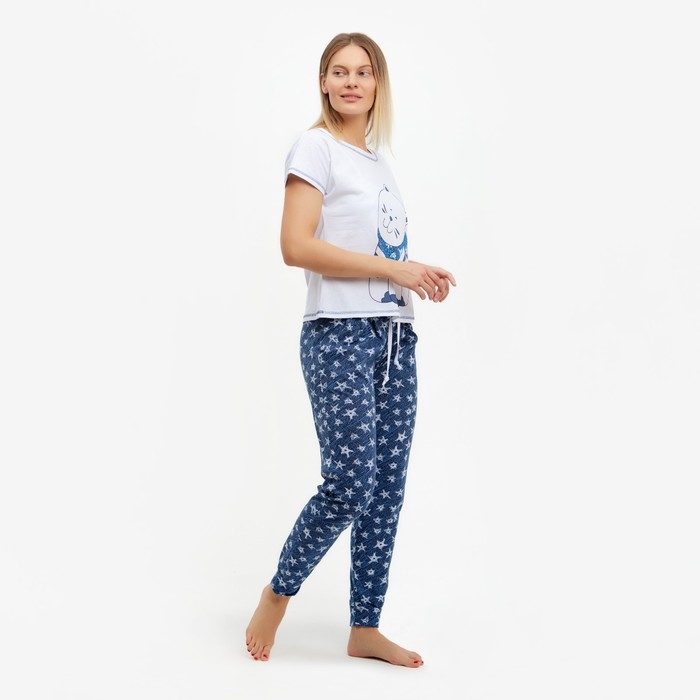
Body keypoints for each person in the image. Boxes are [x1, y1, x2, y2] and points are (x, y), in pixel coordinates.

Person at [245, 31, 456, 668]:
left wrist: (412, 273)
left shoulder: (377, 160)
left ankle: (365, 626)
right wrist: (395, 269)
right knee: (350, 483)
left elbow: (376, 248)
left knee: (386, 489)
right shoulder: (316, 147)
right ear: (324, 82)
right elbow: (296, 245)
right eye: (339, 72)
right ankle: (278, 594)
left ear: (377, 84)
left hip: (394, 337)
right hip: (339, 334)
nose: (351, 82)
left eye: (363, 72)